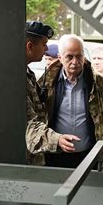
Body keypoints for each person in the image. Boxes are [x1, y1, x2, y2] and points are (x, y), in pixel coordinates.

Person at [39, 34, 103, 168]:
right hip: (54, 155)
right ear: (60, 58)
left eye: (79, 56)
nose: (75, 61)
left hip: (89, 155)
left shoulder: (98, 83)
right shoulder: (46, 83)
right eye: (69, 56)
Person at [25, 21, 77, 165]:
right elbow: (28, 124)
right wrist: (57, 139)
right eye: (44, 44)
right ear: (30, 46)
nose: (47, 49)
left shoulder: (28, 73)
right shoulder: (14, 79)